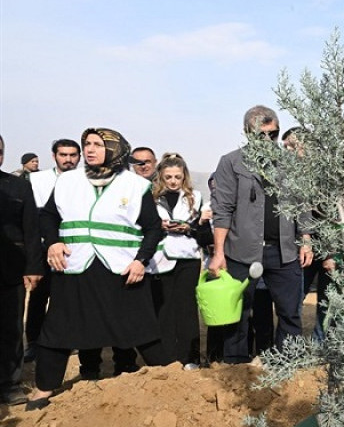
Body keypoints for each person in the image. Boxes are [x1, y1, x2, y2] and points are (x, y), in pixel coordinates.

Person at [27, 128, 169, 410]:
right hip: (75, 265)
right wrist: (53, 243)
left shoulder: (134, 185)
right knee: (59, 327)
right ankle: (43, 389)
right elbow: (47, 216)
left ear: (114, 149)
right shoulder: (68, 181)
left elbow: (153, 229)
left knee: (139, 327)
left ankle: (168, 381)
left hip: (120, 269)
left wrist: (141, 260)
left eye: (97, 144)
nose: (89, 149)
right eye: (86, 144)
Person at [208, 105, 313, 362]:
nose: (267, 140)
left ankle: (286, 363)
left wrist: (306, 240)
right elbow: (222, 209)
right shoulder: (231, 162)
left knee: (290, 312)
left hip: (284, 251)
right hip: (241, 251)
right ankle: (235, 364)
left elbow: (303, 204)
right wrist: (219, 253)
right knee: (239, 312)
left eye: (273, 134)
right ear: (247, 133)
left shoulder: (291, 163)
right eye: (260, 135)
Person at [150, 153, 212, 369]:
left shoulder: (196, 197)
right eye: (168, 177)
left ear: (184, 176)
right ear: (161, 176)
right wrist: (160, 227)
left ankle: (190, 357)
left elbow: (205, 233)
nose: (173, 181)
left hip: (188, 257)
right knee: (164, 309)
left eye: (178, 176)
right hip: (159, 259)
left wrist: (190, 228)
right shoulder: (151, 197)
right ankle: (167, 357)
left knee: (186, 309)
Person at [24, 139, 81, 363]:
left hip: (73, 248)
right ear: (54, 156)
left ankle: (69, 340)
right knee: (39, 296)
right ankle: (34, 343)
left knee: (68, 297)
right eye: (63, 155)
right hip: (42, 246)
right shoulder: (37, 179)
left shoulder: (84, 180)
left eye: (73, 155)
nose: (68, 159)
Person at [0, 135, 44, 406]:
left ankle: (8, 383)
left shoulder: (17, 186)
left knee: (10, 327)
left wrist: (33, 266)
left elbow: (31, 229)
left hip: (9, 268)